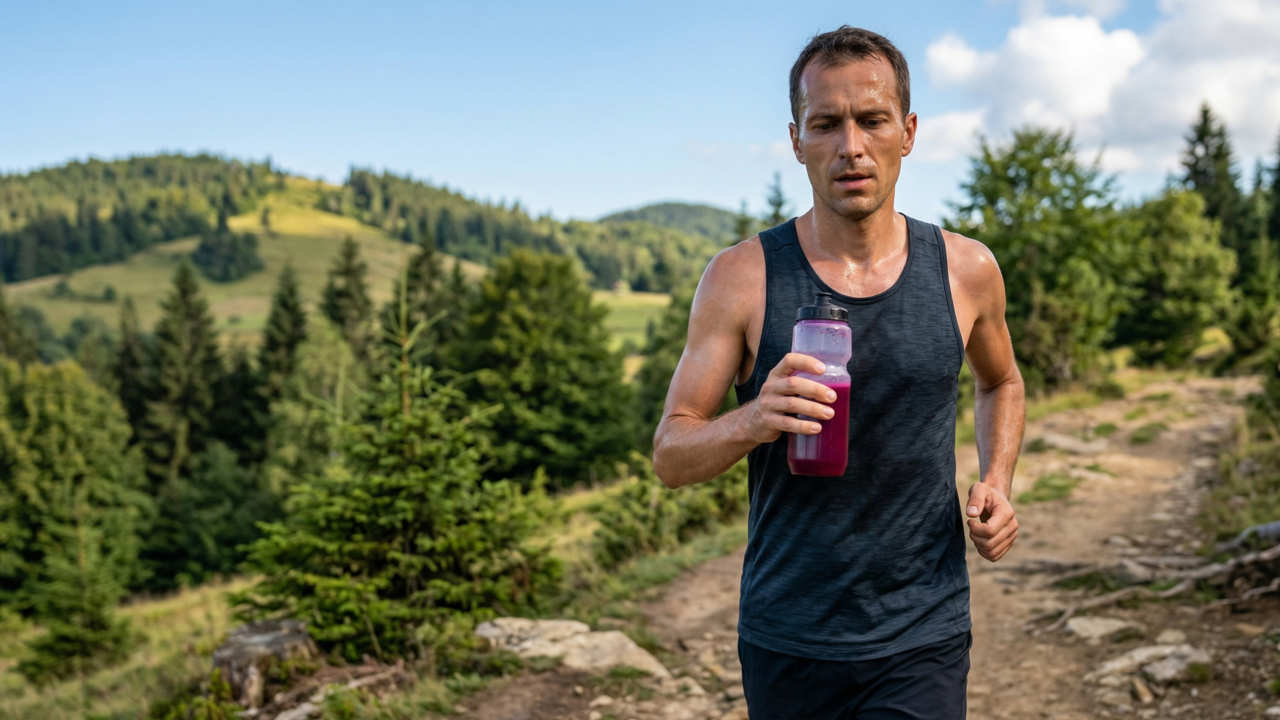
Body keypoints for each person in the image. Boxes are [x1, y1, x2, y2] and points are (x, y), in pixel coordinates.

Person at [651, 26, 1026, 719]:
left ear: (907, 132)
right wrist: (753, 420)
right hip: (789, 634)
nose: (851, 146)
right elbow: (672, 454)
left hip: (924, 629)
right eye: (825, 124)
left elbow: (1001, 380)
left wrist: (997, 481)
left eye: (872, 120)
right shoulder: (741, 278)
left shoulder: (966, 269)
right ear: (796, 140)